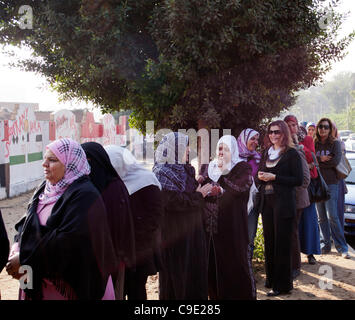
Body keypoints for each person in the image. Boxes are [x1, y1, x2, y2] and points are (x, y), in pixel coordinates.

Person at [6, 138, 117, 300]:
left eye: (52, 160)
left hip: (69, 287)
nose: (44, 164)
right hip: (38, 282)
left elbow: (68, 241)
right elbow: (26, 224)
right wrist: (17, 248)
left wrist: (25, 258)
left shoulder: (85, 195)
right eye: (44, 159)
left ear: (70, 164)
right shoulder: (43, 190)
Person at [153, 132, 211, 300]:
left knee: (194, 274)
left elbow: (188, 195)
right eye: (185, 146)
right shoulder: (161, 172)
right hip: (174, 234)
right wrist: (198, 196)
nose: (188, 150)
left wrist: (199, 190)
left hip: (192, 232)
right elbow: (173, 202)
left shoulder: (185, 169)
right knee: (176, 276)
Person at [104, 144, 163, 300]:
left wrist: (131, 236)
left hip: (139, 250)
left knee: (137, 289)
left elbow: (154, 216)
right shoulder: (111, 184)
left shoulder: (146, 179)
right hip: (119, 251)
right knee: (118, 290)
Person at [203, 134, 256, 300]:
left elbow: (241, 187)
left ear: (233, 150)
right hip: (211, 228)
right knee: (213, 266)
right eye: (220, 148)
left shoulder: (242, 167)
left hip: (233, 226)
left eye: (226, 149)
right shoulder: (209, 167)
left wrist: (220, 188)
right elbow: (201, 186)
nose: (222, 152)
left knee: (235, 264)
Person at [81, 142, 136, 300]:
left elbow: (120, 227)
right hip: (90, 261)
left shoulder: (115, 187)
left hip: (113, 259)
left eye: (89, 161)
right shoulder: (84, 187)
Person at [257, 120, 303, 297]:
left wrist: (275, 177)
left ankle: (282, 286)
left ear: (284, 133)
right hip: (267, 202)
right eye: (270, 132)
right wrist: (260, 177)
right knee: (270, 241)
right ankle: (271, 280)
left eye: (277, 132)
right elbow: (259, 174)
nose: (273, 135)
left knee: (282, 245)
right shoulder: (266, 152)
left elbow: (298, 180)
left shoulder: (292, 154)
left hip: (284, 204)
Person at [314, 118, 350, 258]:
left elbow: (334, 161)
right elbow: (308, 160)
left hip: (331, 183)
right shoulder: (315, 143)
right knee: (321, 216)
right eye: (321, 127)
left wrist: (317, 162)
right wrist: (319, 160)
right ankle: (325, 245)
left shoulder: (335, 143)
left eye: (326, 127)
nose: (323, 129)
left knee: (332, 216)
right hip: (317, 183)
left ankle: (342, 247)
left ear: (330, 129)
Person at [284, 115, 311, 279]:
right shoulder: (285, 148)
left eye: (294, 125)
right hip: (287, 199)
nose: (291, 128)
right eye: (288, 125)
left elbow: (305, 179)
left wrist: (287, 187)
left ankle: (295, 267)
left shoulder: (297, 150)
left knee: (292, 232)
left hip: (297, 199)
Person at [236, 129, 261, 257]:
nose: (256, 142)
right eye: (253, 139)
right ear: (244, 139)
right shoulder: (234, 157)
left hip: (252, 205)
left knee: (250, 237)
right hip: (236, 205)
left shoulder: (258, 158)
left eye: (257, 139)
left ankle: (248, 272)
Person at [298, 135, 321, 265]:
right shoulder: (282, 140)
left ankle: (310, 253)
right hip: (290, 189)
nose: (293, 128)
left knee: (309, 221)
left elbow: (314, 162)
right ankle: (294, 256)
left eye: (294, 125)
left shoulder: (306, 140)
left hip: (307, 188)